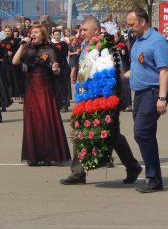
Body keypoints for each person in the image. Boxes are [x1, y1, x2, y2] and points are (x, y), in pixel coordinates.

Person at [60, 16, 142, 185]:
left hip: (103, 97)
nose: (81, 33)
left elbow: (113, 74)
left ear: (95, 30)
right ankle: (78, 173)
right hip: (85, 95)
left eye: (84, 30)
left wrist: (106, 99)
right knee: (80, 130)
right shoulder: (86, 46)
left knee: (111, 133)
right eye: (81, 30)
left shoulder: (106, 46)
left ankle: (132, 166)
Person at [12, 25, 71, 166]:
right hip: (31, 89)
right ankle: (33, 156)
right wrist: (22, 45)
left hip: (45, 89)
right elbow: (15, 61)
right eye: (31, 32)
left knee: (46, 121)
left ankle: (48, 155)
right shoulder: (27, 49)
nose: (33, 34)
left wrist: (55, 69)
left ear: (43, 35)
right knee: (33, 122)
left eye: (36, 32)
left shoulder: (49, 49)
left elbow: (55, 70)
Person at [127, 7, 168, 193]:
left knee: (141, 132)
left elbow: (164, 70)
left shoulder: (157, 41)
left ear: (142, 21)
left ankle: (152, 176)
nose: (130, 28)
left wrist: (162, 97)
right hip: (139, 94)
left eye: (132, 24)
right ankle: (155, 178)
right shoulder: (137, 41)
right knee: (147, 135)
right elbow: (137, 67)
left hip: (152, 93)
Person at [52, 29, 71, 112]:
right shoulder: (51, 44)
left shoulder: (64, 44)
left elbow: (65, 54)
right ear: (53, 35)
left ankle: (65, 104)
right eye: (55, 35)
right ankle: (57, 104)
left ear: (61, 35)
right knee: (56, 85)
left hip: (63, 65)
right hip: (54, 66)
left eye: (58, 35)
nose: (57, 36)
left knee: (64, 85)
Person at [115, 30, 133, 111]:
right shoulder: (111, 45)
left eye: (115, 36)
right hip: (115, 68)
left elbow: (126, 57)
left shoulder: (123, 45)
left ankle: (128, 104)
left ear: (119, 37)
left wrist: (123, 52)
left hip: (124, 67)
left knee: (125, 84)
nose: (114, 38)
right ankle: (119, 103)